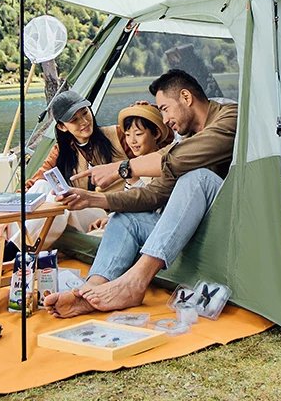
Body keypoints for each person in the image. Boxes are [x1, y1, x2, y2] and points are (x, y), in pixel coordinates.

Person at [44, 69, 238, 318]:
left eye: (165, 108)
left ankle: (136, 282)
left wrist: (120, 168)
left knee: (197, 177)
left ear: (186, 97)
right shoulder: (184, 138)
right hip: (185, 226)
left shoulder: (229, 117)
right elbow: (154, 194)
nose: (165, 119)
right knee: (123, 219)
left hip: (220, 227)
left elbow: (178, 160)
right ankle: (91, 291)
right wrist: (96, 199)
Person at [10, 89, 127, 252]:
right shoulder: (61, 151)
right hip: (80, 210)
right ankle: (8, 242)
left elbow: (157, 143)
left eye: (85, 113)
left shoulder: (118, 135)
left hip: (109, 212)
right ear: (62, 127)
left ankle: (12, 251)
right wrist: (9, 208)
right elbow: (36, 183)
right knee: (44, 186)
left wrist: (145, 112)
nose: (84, 122)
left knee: (58, 206)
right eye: (75, 120)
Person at [87, 104, 173, 234]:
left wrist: (134, 180)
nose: (132, 141)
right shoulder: (132, 165)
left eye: (138, 134)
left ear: (156, 134)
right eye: (127, 135)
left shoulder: (163, 163)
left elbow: (154, 205)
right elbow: (128, 201)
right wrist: (110, 217)